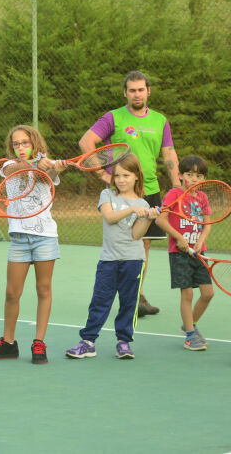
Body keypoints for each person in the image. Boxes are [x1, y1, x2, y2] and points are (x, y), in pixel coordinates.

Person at [79, 71, 181, 317]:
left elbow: (168, 153)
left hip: (150, 192)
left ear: (148, 91)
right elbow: (86, 142)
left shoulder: (160, 120)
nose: (137, 94)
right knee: (121, 245)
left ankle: (136, 296)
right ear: (125, 93)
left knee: (142, 246)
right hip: (121, 193)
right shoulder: (113, 117)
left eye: (141, 89)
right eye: (132, 90)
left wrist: (177, 186)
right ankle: (126, 297)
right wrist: (102, 174)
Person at [0, 125, 65, 364]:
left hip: (45, 237)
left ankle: (39, 343)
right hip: (19, 239)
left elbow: (45, 176)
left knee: (43, 289)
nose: (20, 147)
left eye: (25, 143)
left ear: (35, 143)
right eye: (16, 144)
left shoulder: (46, 167)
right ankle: (8, 344)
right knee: (12, 293)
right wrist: (37, 162)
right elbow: (18, 169)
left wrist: (54, 166)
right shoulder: (8, 165)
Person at [65, 154, 159, 360]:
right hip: (109, 261)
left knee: (129, 303)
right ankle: (88, 342)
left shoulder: (142, 202)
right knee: (100, 301)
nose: (121, 180)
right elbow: (109, 217)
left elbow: (136, 235)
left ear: (136, 176)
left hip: (133, 261)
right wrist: (133, 209)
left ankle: (123, 342)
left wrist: (148, 219)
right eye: (117, 176)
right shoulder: (107, 195)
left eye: (126, 175)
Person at [155, 155, 214, 351]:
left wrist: (201, 240)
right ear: (180, 175)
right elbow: (160, 220)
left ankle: (189, 325)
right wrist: (179, 238)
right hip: (178, 253)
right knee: (187, 293)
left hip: (198, 253)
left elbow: (206, 225)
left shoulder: (203, 198)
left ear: (204, 179)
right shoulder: (174, 194)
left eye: (198, 176)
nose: (194, 179)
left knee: (208, 293)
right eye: (189, 174)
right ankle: (190, 335)